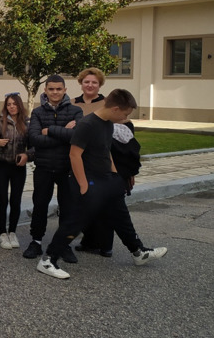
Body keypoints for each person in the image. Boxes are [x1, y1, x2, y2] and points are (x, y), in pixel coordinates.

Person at [37, 89, 167, 279]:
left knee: (121, 216)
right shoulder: (87, 124)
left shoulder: (108, 124)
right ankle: (48, 260)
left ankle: (138, 252)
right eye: (125, 114)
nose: (125, 118)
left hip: (108, 180)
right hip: (89, 181)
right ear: (115, 109)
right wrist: (83, 185)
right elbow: (74, 155)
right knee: (75, 222)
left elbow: (106, 152)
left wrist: (114, 176)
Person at [22, 75, 84, 263]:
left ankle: (63, 244)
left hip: (67, 168)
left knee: (67, 208)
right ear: (45, 91)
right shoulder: (38, 112)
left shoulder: (76, 111)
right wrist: (64, 131)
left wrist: (49, 130)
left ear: (65, 90)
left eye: (59, 89)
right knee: (40, 206)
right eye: (51, 89)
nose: (55, 92)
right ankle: (36, 241)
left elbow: (77, 136)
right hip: (44, 167)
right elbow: (35, 139)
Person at [0, 92, 32, 250]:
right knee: (2, 199)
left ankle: (13, 232)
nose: (12, 107)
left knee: (16, 200)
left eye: (14, 104)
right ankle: (2, 233)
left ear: (19, 105)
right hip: (1, 165)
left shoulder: (27, 123)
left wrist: (27, 155)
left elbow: (34, 145)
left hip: (18, 167)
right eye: (9, 104)